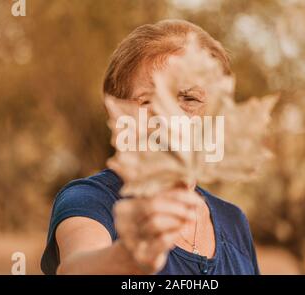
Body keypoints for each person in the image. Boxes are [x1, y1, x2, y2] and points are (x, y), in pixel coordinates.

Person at [41, 19, 260, 275]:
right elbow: (76, 267)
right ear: (118, 116)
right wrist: (127, 258)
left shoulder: (233, 221)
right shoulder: (90, 200)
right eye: (148, 101)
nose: (170, 118)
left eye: (190, 98)